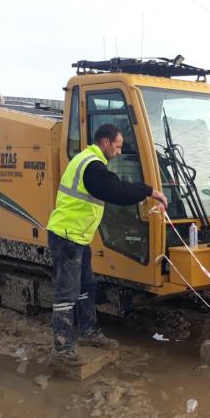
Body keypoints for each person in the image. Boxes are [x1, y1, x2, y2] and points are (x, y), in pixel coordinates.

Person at [46, 123, 168, 365]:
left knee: (87, 286)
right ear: (106, 142)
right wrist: (150, 191)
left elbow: (114, 186)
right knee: (67, 292)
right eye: (118, 146)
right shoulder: (91, 165)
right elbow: (116, 190)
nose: (120, 152)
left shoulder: (92, 163)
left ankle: (89, 332)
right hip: (67, 235)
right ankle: (62, 347)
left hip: (79, 236)